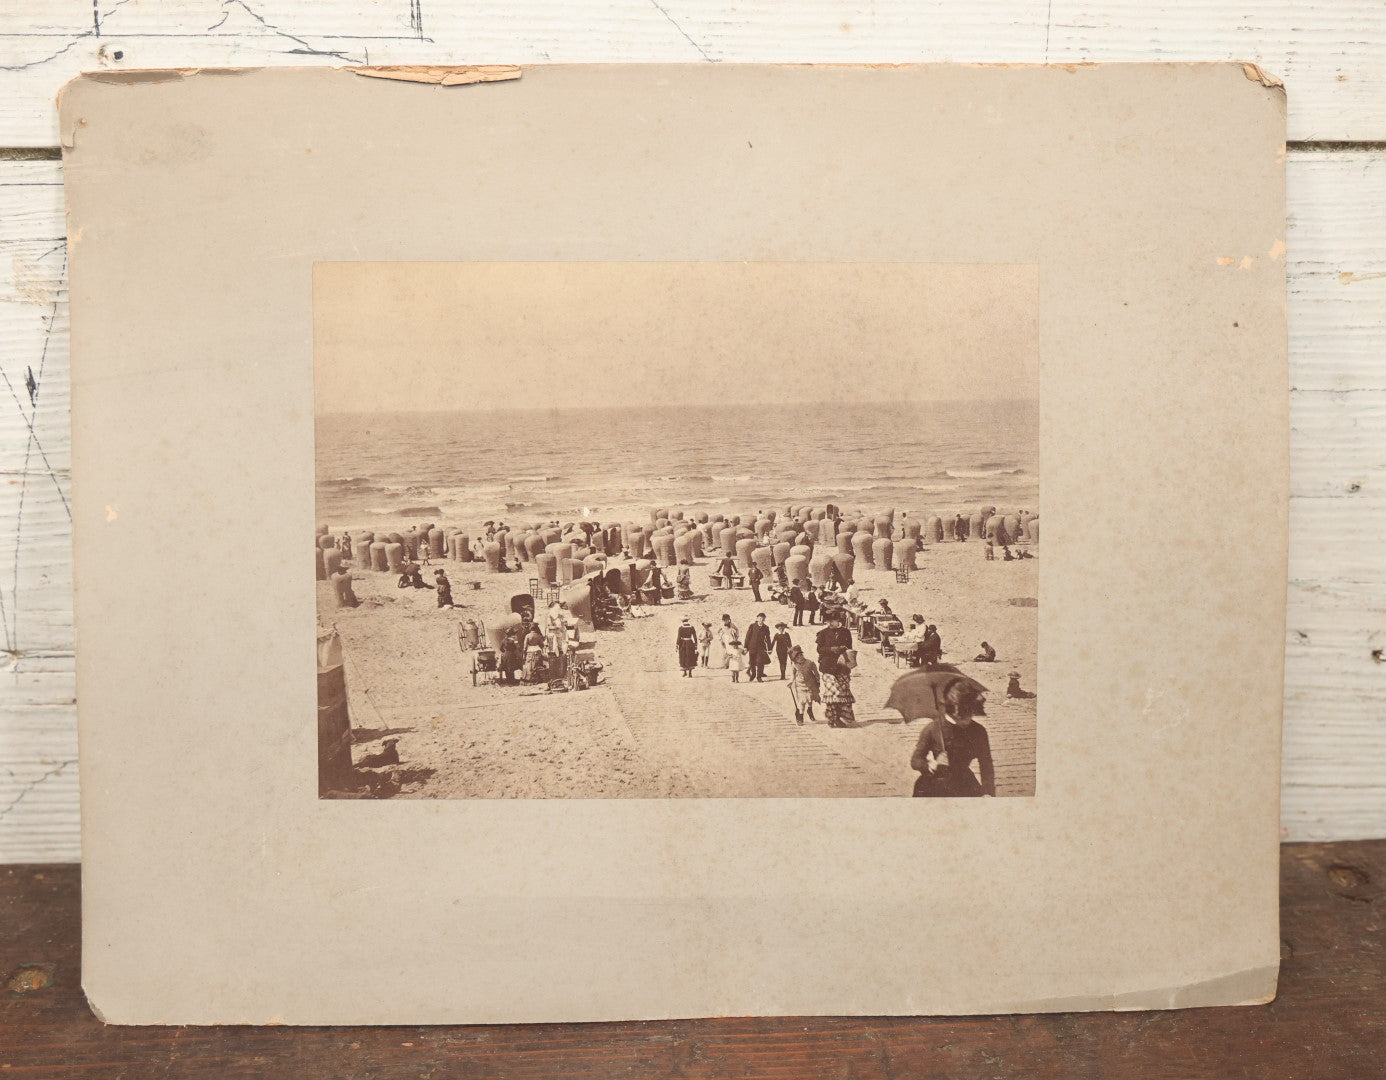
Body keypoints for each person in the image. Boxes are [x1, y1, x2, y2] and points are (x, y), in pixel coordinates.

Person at [910, 679, 995, 797]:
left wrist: (988, 792)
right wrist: (930, 764)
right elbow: (915, 760)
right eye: (962, 716)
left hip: (964, 784)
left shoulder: (978, 731)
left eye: (971, 714)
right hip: (935, 785)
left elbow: (986, 764)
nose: (967, 720)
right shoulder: (933, 729)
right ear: (951, 712)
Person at [815, 608, 856, 727]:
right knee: (833, 693)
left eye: (832, 621)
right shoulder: (822, 633)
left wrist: (844, 649)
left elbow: (850, 648)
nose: (829, 624)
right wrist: (831, 649)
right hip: (828, 667)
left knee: (843, 694)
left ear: (838, 620)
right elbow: (819, 649)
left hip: (842, 666)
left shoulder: (846, 632)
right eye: (828, 622)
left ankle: (838, 718)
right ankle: (831, 719)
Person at [787, 644, 820, 724]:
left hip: (810, 684)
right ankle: (800, 717)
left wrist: (818, 681)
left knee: (809, 699)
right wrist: (791, 682)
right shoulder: (794, 665)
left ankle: (810, 710)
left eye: (800, 656)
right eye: (796, 658)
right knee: (802, 701)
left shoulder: (810, 663)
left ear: (802, 655)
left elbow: (816, 673)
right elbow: (793, 674)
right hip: (799, 685)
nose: (799, 658)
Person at [744, 613, 772, 683]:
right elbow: (747, 637)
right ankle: (753, 674)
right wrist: (745, 647)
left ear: (764, 619)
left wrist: (769, 648)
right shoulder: (752, 626)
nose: (761, 620)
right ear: (757, 619)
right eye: (760, 618)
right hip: (752, 647)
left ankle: (759, 676)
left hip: (761, 648)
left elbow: (768, 638)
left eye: (762, 618)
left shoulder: (766, 628)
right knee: (752, 662)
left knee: (760, 662)